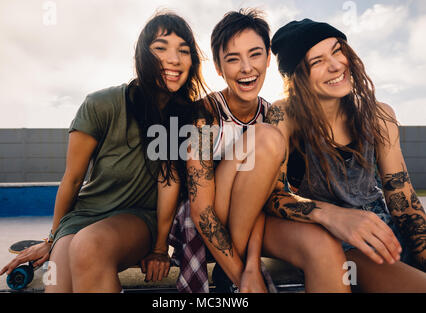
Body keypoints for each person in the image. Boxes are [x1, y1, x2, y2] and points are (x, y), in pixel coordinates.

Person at [0, 11, 208, 292]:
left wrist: (159, 248)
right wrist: (52, 239)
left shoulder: (185, 117)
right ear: (142, 55)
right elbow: (72, 179)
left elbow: (169, 182)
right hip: (83, 216)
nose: (174, 59)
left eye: (184, 51)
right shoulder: (101, 104)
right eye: (161, 48)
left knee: (89, 246)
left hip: (137, 219)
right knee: (59, 283)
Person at [169, 9, 351, 293]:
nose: (246, 68)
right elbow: (201, 208)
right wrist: (243, 276)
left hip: (254, 220)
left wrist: (252, 264)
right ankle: (229, 276)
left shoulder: (271, 113)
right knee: (266, 137)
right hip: (210, 215)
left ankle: (233, 273)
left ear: (268, 59)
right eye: (232, 59)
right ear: (218, 66)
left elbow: (263, 201)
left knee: (322, 244)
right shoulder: (204, 115)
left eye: (255, 55)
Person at [265, 18, 426, 292]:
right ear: (296, 77)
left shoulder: (379, 114)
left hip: (384, 231)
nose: (336, 65)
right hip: (340, 242)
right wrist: (333, 216)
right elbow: (273, 196)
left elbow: (402, 199)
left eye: (338, 50)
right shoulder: (284, 115)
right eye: (317, 62)